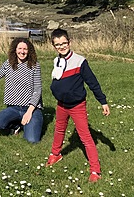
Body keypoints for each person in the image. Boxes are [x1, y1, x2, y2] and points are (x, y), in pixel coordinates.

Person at [46, 29, 110, 183]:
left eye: (64, 43)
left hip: (77, 106)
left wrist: (103, 101)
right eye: (58, 45)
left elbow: (92, 82)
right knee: (59, 129)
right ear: (54, 46)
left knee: (85, 137)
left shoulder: (80, 61)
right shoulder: (57, 60)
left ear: (69, 42)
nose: (61, 47)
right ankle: (55, 155)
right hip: (61, 105)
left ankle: (95, 170)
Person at [0, 37, 44, 143]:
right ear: (15, 49)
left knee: (32, 140)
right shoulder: (8, 63)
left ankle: (28, 123)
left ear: (29, 51)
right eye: (20, 48)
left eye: (25, 49)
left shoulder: (35, 65)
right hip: (13, 108)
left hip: (32, 108)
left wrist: (29, 112)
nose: (22, 52)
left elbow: (38, 90)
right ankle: (16, 125)